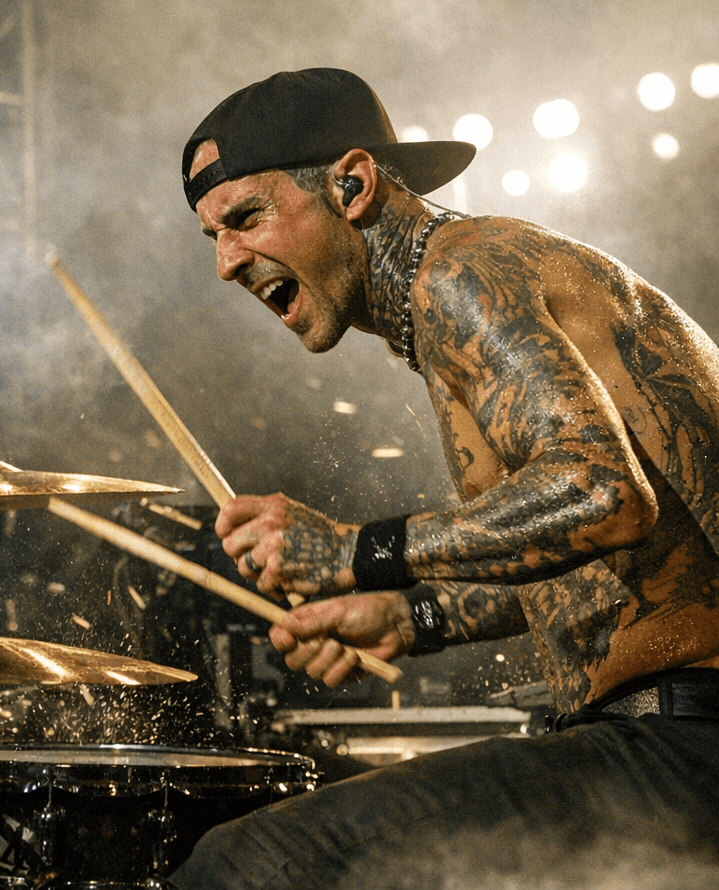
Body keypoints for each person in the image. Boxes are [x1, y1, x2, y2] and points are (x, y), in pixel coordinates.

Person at [175, 69, 719, 887]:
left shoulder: (459, 276)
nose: (224, 264)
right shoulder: (478, 276)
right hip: (675, 738)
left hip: (685, 747)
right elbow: (602, 561)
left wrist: (359, 551)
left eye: (245, 218)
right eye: (212, 235)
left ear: (352, 185)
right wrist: (411, 615)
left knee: (244, 866)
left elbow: (603, 497)